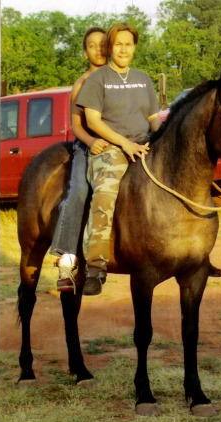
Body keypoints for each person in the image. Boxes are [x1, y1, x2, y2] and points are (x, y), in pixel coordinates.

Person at [76, 22, 162, 296]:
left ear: (134, 47)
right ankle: (95, 267)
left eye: (129, 44)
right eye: (118, 44)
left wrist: (160, 142)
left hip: (144, 145)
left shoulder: (143, 78)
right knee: (105, 193)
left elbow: (153, 118)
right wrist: (124, 143)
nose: (123, 49)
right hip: (113, 149)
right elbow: (92, 120)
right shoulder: (97, 79)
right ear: (111, 47)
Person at [50, 27, 109, 292]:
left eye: (102, 44)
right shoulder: (82, 83)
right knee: (79, 192)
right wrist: (91, 142)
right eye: (92, 46)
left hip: (121, 142)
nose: (98, 49)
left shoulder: (120, 78)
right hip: (88, 146)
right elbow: (77, 126)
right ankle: (66, 263)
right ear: (85, 52)